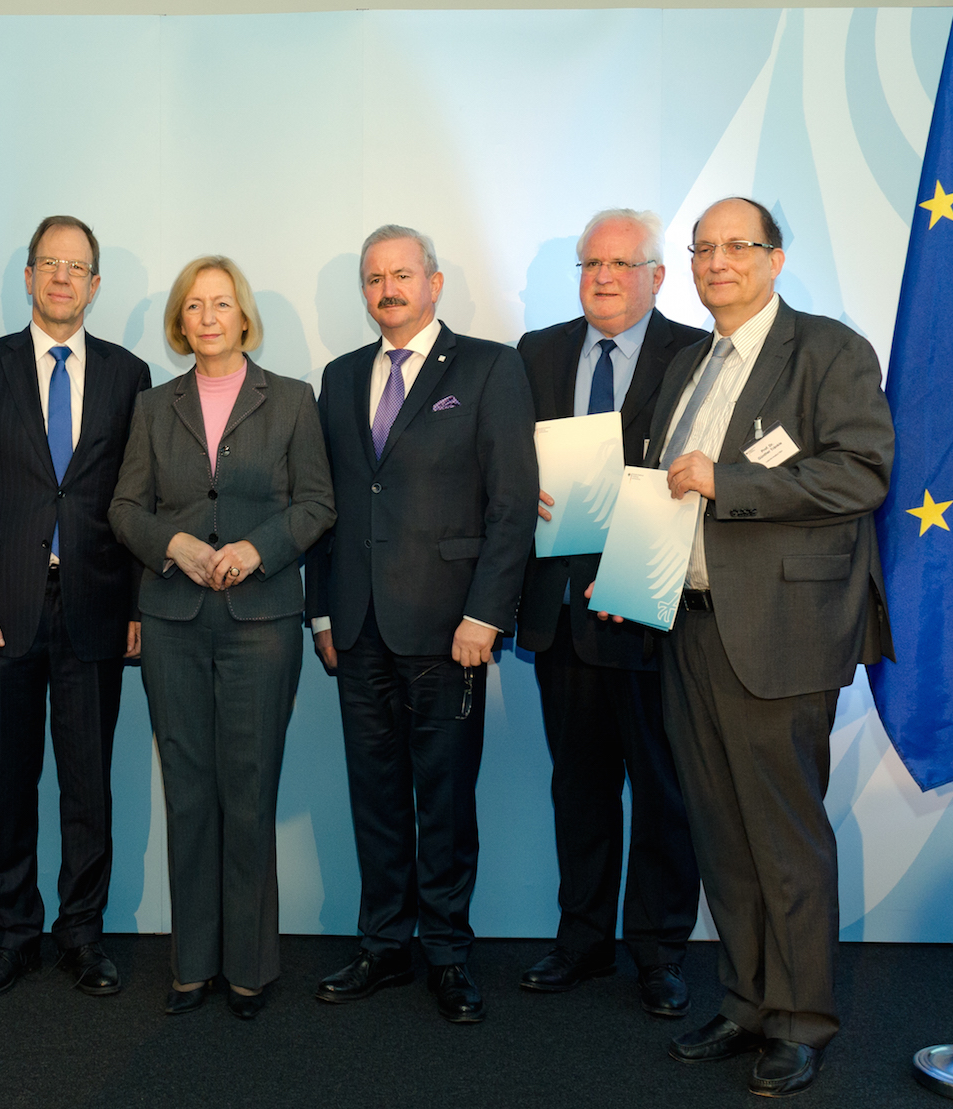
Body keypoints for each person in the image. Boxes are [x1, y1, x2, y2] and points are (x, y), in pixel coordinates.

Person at [640, 197, 892, 1097]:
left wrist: (732, 480)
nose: (717, 262)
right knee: (721, 831)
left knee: (784, 839)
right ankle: (746, 1001)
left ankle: (801, 1021)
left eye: (737, 246)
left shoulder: (827, 351)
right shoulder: (688, 366)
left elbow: (862, 471)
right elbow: (667, 492)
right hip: (691, 627)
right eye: (702, 248)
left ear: (776, 260)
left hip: (781, 635)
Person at [306, 225, 537, 1024]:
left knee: (443, 797)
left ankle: (446, 950)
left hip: (450, 629)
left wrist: (486, 613)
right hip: (357, 629)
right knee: (372, 796)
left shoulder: (489, 367)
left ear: (434, 283)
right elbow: (324, 506)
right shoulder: (337, 379)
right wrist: (322, 612)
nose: (387, 289)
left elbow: (512, 506)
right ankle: (382, 944)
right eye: (374, 277)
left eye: (402, 274)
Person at [109, 255, 335, 1020]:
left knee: (249, 792)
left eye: (222, 304)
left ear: (244, 317)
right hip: (173, 623)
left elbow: (316, 504)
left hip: (261, 624)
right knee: (189, 793)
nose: (208, 317)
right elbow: (124, 509)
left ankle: (249, 966)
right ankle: (192, 963)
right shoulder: (151, 406)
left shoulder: (294, 401)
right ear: (181, 321)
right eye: (195, 306)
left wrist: (256, 549)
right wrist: (173, 545)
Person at [0, 216, 152, 1000]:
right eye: (49, 264)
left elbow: (138, 500)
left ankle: (83, 933)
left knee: (89, 783)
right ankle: (14, 932)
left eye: (77, 267)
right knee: (11, 781)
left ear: (95, 286)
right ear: (29, 277)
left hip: (97, 608)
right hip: (0, 611)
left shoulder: (131, 377)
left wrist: (136, 604)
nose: (62, 278)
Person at [513, 209, 705, 1016]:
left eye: (623, 264)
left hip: (652, 610)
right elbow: (504, 458)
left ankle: (658, 952)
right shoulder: (538, 352)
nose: (604, 277)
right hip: (562, 614)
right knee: (578, 788)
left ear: (658, 277)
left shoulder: (697, 353)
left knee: (663, 790)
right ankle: (582, 940)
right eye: (593, 262)